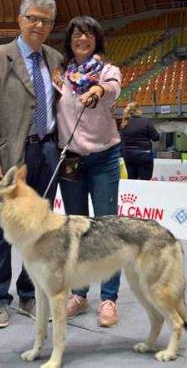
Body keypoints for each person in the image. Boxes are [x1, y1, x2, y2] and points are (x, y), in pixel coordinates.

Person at [0, 0, 63, 329]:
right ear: (20, 19)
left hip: (48, 152)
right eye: (33, 18)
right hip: (9, 157)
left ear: (52, 26)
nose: (39, 25)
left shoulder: (55, 59)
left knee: (39, 228)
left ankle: (27, 291)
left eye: (46, 21)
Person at [55, 16, 123, 328]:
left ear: (97, 39)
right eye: (77, 35)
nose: (82, 39)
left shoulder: (108, 71)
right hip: (70, 158)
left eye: (88, 34)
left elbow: (112, 87)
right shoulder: (61, 75)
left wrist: (96, 89)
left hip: (103, 157)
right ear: (69, 40)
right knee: (77, 230)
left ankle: (109, 298)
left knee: (107, 229)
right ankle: (79, 294)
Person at [119, 101, 159, 180]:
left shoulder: (124, 123)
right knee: (145, 181)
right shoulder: (146, 122)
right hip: (144, 155)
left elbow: (122, 140)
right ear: (138, 110)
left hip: (128, 155)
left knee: (132, 181)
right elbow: (156, 137)